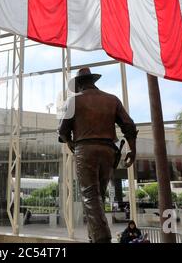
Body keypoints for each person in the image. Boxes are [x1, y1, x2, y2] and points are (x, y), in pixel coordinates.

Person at [58, 68, 138, 243]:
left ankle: (102, 238)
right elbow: (129, 126)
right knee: (97, 197)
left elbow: (63, 131)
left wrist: (70, 143)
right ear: (93, 81)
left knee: (90, 196)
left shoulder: (74, 101)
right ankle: (93, 237)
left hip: (85, 150)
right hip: (109, 151)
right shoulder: (112, 99)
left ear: (79, 84)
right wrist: (132, 149)